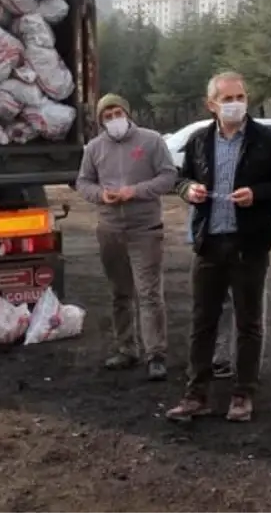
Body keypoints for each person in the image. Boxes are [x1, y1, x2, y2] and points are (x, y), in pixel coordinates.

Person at [165, 72, 271, 423]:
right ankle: (196, 394)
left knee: (248, 322)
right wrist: (188, 190)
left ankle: (243, 393)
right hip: (209, 242)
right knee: (202, 321)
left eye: (240, 97)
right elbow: (180, 178)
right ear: (212, 105)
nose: (236, 104)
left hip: (248, 244)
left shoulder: (266, 141)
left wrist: (257, 194)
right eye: (227, 99)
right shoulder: (199, 141)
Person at [76, 93, 178, 380]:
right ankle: (126, 348)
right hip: (110, 230)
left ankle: (155, 354)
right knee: (120, 293)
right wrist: (101, 195)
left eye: (117, 113)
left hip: (145, 228)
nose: (113, 119)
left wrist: (136, 191)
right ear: (100, 121)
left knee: (149, 293)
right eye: (107, 116)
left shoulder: (151, 141)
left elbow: (168, 176)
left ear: (128, 113)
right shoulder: (94, 148)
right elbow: (83, 182)